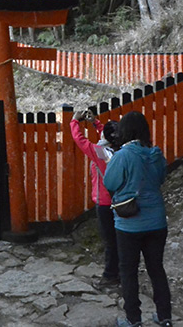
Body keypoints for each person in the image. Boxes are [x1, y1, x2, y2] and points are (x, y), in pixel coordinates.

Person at [103, 111, 172, 327]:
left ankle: (133, 319)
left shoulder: (122, 156)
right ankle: (164, 316)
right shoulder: (156, 154)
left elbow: (110, 183)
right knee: (156, 268)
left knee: (129, 271)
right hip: (157, 221)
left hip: (129, 223)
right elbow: (160, 178)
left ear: (124, 130)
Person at [70, 109, 120, 287]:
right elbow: (108, 138)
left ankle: (110, 275)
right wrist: (96, 123)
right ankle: (121, 271)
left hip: (105, 203)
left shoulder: (100, 152)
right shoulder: (120, 150)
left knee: (109, 241)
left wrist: (74, 122)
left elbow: (80, 140)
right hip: (121, 201)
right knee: (119, 238)